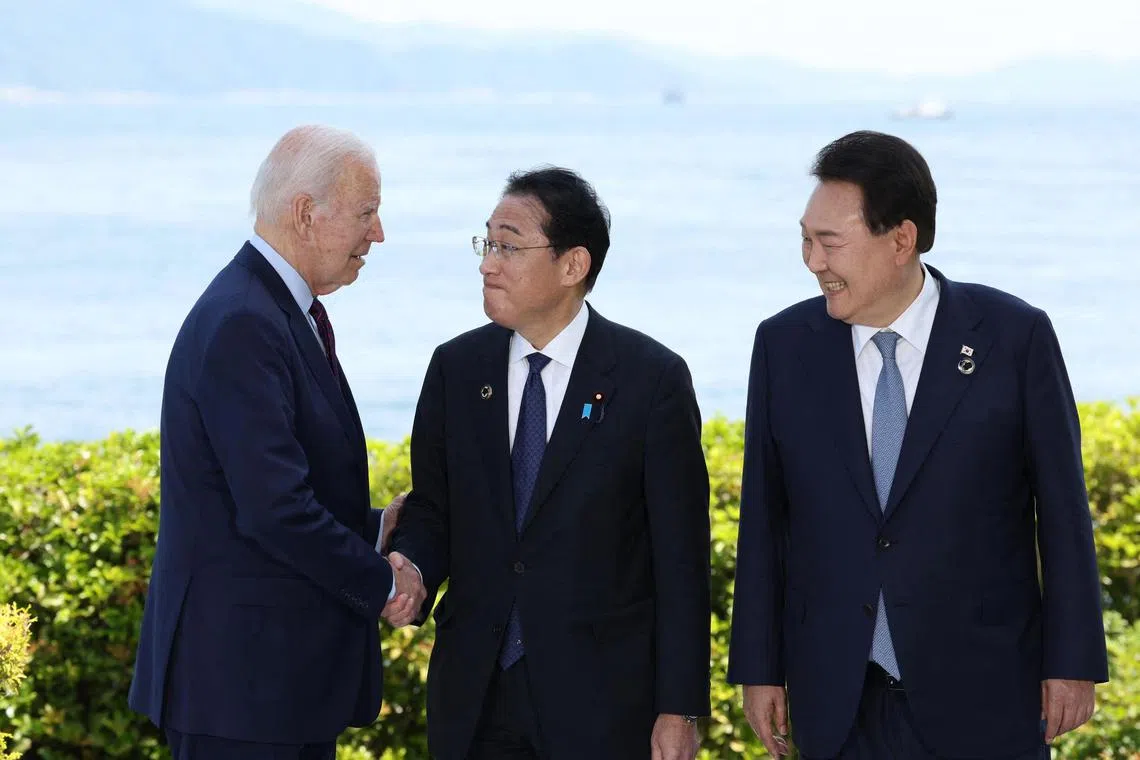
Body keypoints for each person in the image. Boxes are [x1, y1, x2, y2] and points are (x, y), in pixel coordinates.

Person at [727, 130, 1109, 760]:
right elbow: (765, 522)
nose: (812, 260)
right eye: (805, 239)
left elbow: (1064, 511)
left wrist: (1073, 661)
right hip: (835, 696)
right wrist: (760, 668)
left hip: (984, 690)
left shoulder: (1013, 337)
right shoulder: (783, 345)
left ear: (901, 239)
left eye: (829, 243)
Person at [387, 167, 711, 760]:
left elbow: (682, 560)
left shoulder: (651, 380)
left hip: (603, 703)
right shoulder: (456, 369)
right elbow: (435, 509)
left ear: (573, 265)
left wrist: (679, 706)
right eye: (487, 243)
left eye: (508, 246)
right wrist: (412, 569)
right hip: (476, 693)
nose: (488, 263)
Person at [128, 125, 423, 760]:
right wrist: (381, 582)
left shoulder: (275, 309)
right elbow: (273, 509)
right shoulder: (244, 321)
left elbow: (277, 489)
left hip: (268, 689)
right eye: (367, 212)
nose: (379, 233)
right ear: (305, 214)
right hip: (242, 692)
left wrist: (377, 529)